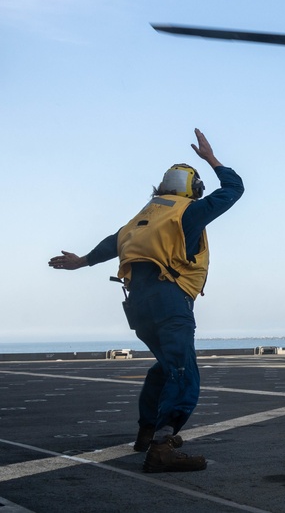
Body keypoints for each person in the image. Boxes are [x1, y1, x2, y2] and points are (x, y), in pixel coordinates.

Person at [48, 128, 244, 473]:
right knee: (184, 374)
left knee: (165, 367)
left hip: (137, 305)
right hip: (169, 301)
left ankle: (147, 432)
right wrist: (212, 159)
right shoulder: (187, 212)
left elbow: (112, 242)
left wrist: (81, 261)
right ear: (193, 189)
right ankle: (163, 446)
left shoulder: (143, 217)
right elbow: (234, 189)